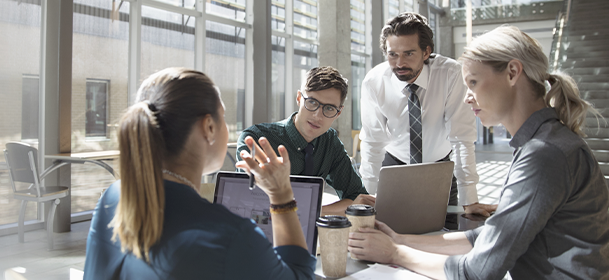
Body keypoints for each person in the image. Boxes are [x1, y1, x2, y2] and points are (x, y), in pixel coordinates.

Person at [348, 26, 609, 279]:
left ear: (512, 73)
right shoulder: (543, 143)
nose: (467, 95)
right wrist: (400, 239)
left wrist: (394, 254)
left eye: (473, 82)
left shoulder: (544, 154)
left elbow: (478, 271)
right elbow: (488, 235)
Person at [83, 68, 316, 279]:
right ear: (209, 127)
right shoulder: (233, 237)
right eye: (223, 117)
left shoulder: (112, 198)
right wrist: (281, 194)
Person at [359, 12, 496, 219]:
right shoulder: (374, 82)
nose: (399, 63)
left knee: (444, 231)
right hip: (395, 167)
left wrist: (470, 199)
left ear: (426, 52)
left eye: (408, 53)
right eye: (392, 54)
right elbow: (373, 141)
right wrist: (367, 195)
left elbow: (461, 138)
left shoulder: (450, 74)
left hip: (440, 169)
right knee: (390, 234)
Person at [237, 66, 375, 216]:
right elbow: (251, 204)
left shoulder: (330, 142)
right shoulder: (256, 138)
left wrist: (314, 213)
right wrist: (318, 213)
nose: (317, 115)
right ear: (298, 98)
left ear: (339, 112)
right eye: (312, 102)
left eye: (329, 108)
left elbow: (357, 198)